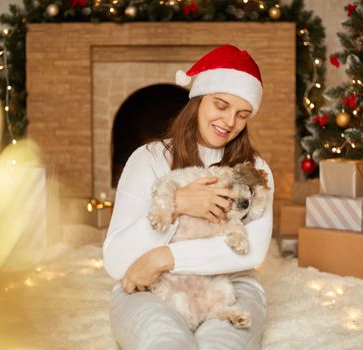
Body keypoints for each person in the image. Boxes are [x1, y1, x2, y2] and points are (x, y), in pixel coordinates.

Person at [102, 44, 274, 350]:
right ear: (197, 99)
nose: (229, 122)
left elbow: (252, 252)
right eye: (221, 105)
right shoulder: (148, 159)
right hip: (150, 286)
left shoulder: (255, 170)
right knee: (163, 339)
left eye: (242, 114)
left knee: (221, 342)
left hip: (230, 283)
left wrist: (163, 257)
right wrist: (178, 205)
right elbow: (117, 261)